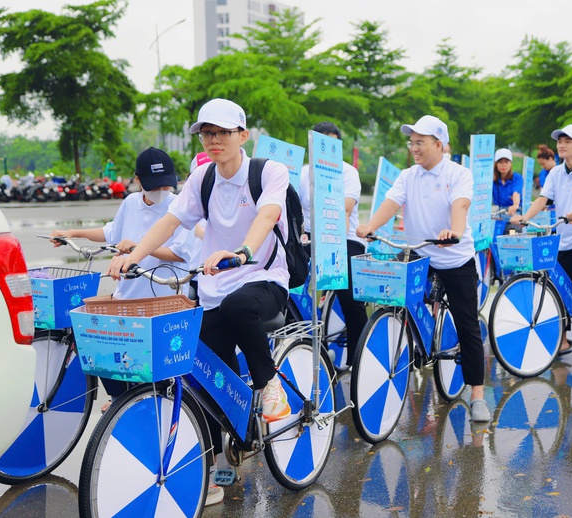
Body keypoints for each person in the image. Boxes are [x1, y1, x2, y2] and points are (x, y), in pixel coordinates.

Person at [108, 98, 291, 506]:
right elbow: (171, 222)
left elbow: (267, 216)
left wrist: (242, 252)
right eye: (207, 133)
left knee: (239, 308)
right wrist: (134, 258)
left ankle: (268, 381)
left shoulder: (268, 172)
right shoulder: (202, 177)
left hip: (263, 278)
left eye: (222, 132)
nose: (213, 140)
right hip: (212, 287)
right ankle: (216, 464)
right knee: (208, 381)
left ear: (243, 136)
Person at [355, 115, 490, 422]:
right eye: (411, 142)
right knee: (402, 302)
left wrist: (454, 232)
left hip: (455, 258)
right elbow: (391, 203)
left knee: (467, 324)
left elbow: (461, 205)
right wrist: (370, 226)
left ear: (439, 144)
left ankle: (478, 394)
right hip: (420, 254)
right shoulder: (408, 176)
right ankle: (418, 346)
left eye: (420, 142)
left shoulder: (459, 173)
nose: (414, 148)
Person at [51, 147, 197, 411]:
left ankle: (138, 405)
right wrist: (72, 232)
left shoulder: (179, 206)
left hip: (163, 300)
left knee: (154, 374)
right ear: (138, 181)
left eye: (166, 184)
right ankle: (122, 400)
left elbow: (180, 253)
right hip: (127, 298)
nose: (161, 190)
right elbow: (111, 232)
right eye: (154, 185)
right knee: (98, 346)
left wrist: (138, 248)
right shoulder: (130, 203)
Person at [511, 124, 572, 366]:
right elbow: (543, 198)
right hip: (565, 234)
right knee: (560, 286)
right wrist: (526, 217)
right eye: (559, 141)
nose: (561, 145)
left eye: (568, 141)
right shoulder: (555, 173)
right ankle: (562, 338)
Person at [299, 121, 367, 366]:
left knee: (350, 298)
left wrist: (330, 246)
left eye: (332, 144)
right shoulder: (303, 172)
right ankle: (309, 351)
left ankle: (360, 358)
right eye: (322, 144)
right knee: (291, 288)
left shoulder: (348, 172)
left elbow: (345, 210)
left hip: (344, 236)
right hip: (308, 236)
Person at [492, 148, 523, 234]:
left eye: (506, 162)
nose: (503, 165)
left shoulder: (517, 178)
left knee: (512, 238)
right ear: (496, 164)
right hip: (498, 216)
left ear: (511, 164)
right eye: (500, 162)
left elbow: (516, 193)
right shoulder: (492, 180)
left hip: (513, 216)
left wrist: (515, 205)